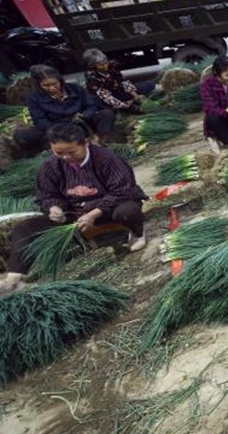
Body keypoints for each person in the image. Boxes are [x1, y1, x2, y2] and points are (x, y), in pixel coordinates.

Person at [2, 122, 147, 294]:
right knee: (25, 228)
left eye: (71, 152)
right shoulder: (50, 166)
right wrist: (54, 208)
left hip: (110, 208)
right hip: (74, 214)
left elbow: (123, 190)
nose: (65, 157)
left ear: (85, 143)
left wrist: (94, 213)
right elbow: (46, 195)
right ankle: (14, 277)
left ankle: (137, 234)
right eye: (59, 153)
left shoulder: (106, 158)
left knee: (127, 211)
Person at [14, 64, 114, 156]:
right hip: (57, 128)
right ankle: (55, 146)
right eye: (46, 86)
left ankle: (100, 140)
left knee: (106, 114)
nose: (52, 88)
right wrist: (61, 127)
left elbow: (91, 105)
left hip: (82, 123)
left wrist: (85, 115)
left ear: (60, 80)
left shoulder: (75, 89)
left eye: (54, 84)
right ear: (39, 85)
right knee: (24, 135)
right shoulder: (33, 98)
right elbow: (39, 120)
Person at [82, 49, 154, 115]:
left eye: (105, 63)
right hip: (106, 99)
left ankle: (128, 102)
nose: (105, 66)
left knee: (149, 84)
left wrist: (135, 95)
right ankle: (125, 106)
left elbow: (123, 82)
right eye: (101, 65)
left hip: (119, 91)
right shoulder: (92, 77)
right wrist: (127, 104)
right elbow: (107, 97)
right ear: (93, 66)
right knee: (108, 107)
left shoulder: (111, 67)